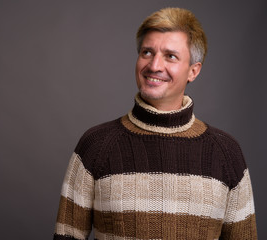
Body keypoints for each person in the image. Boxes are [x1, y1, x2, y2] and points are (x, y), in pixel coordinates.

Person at [53, 7, 257, 240]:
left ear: (193, 71)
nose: (154, 66)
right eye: (147, 52)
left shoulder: (226, 153)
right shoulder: (96, 146)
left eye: (170, 56)